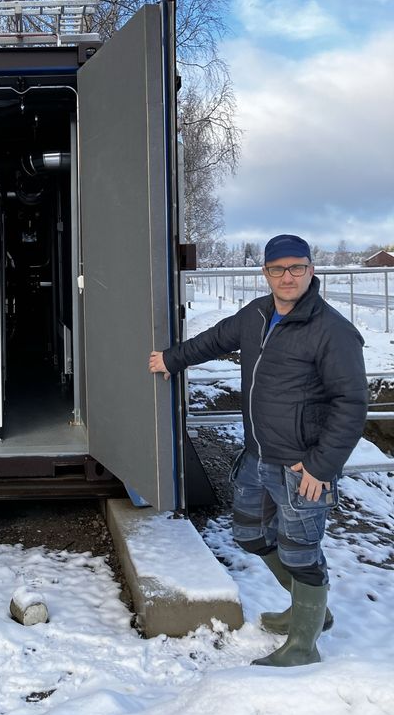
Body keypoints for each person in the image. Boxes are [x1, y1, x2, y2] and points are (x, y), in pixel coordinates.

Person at [149, 234, 368, 667]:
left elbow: (352, 404)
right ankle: (311, 610)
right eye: (277, 269)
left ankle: (303, 645)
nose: (287, 277)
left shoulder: (333, 331)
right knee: (249, 533)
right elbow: (214, 339)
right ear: (264, 273)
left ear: (311, 269)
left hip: (303, 464)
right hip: (258, 455)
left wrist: (321, 467)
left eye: (296, 268)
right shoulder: (257, 314)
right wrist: (172, 359)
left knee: (301, 554)